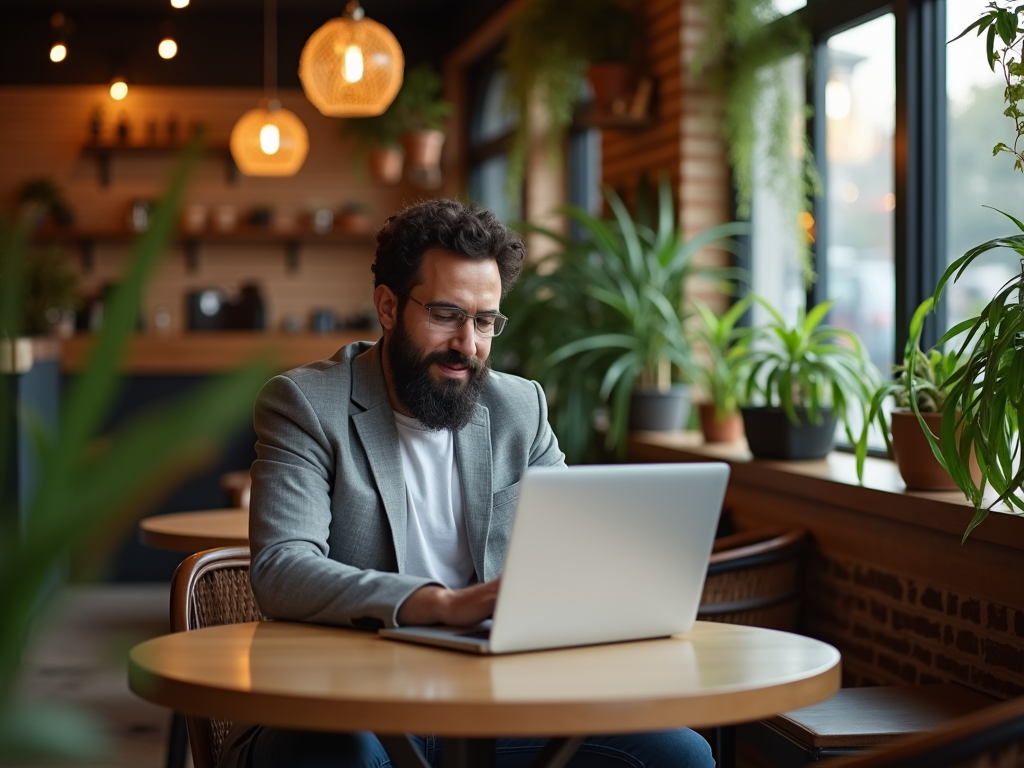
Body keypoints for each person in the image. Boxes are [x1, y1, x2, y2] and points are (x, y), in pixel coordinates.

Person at [222, 200, 714, 768]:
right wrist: (438, 605)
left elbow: (571, 554)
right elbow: (283, 569)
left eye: (485, 321)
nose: (469, 344)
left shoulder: (519, 408)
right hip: (347, 706)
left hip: (494, 703)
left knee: (680, 755)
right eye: (447, 314)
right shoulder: (307, 404)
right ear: (387, 305)